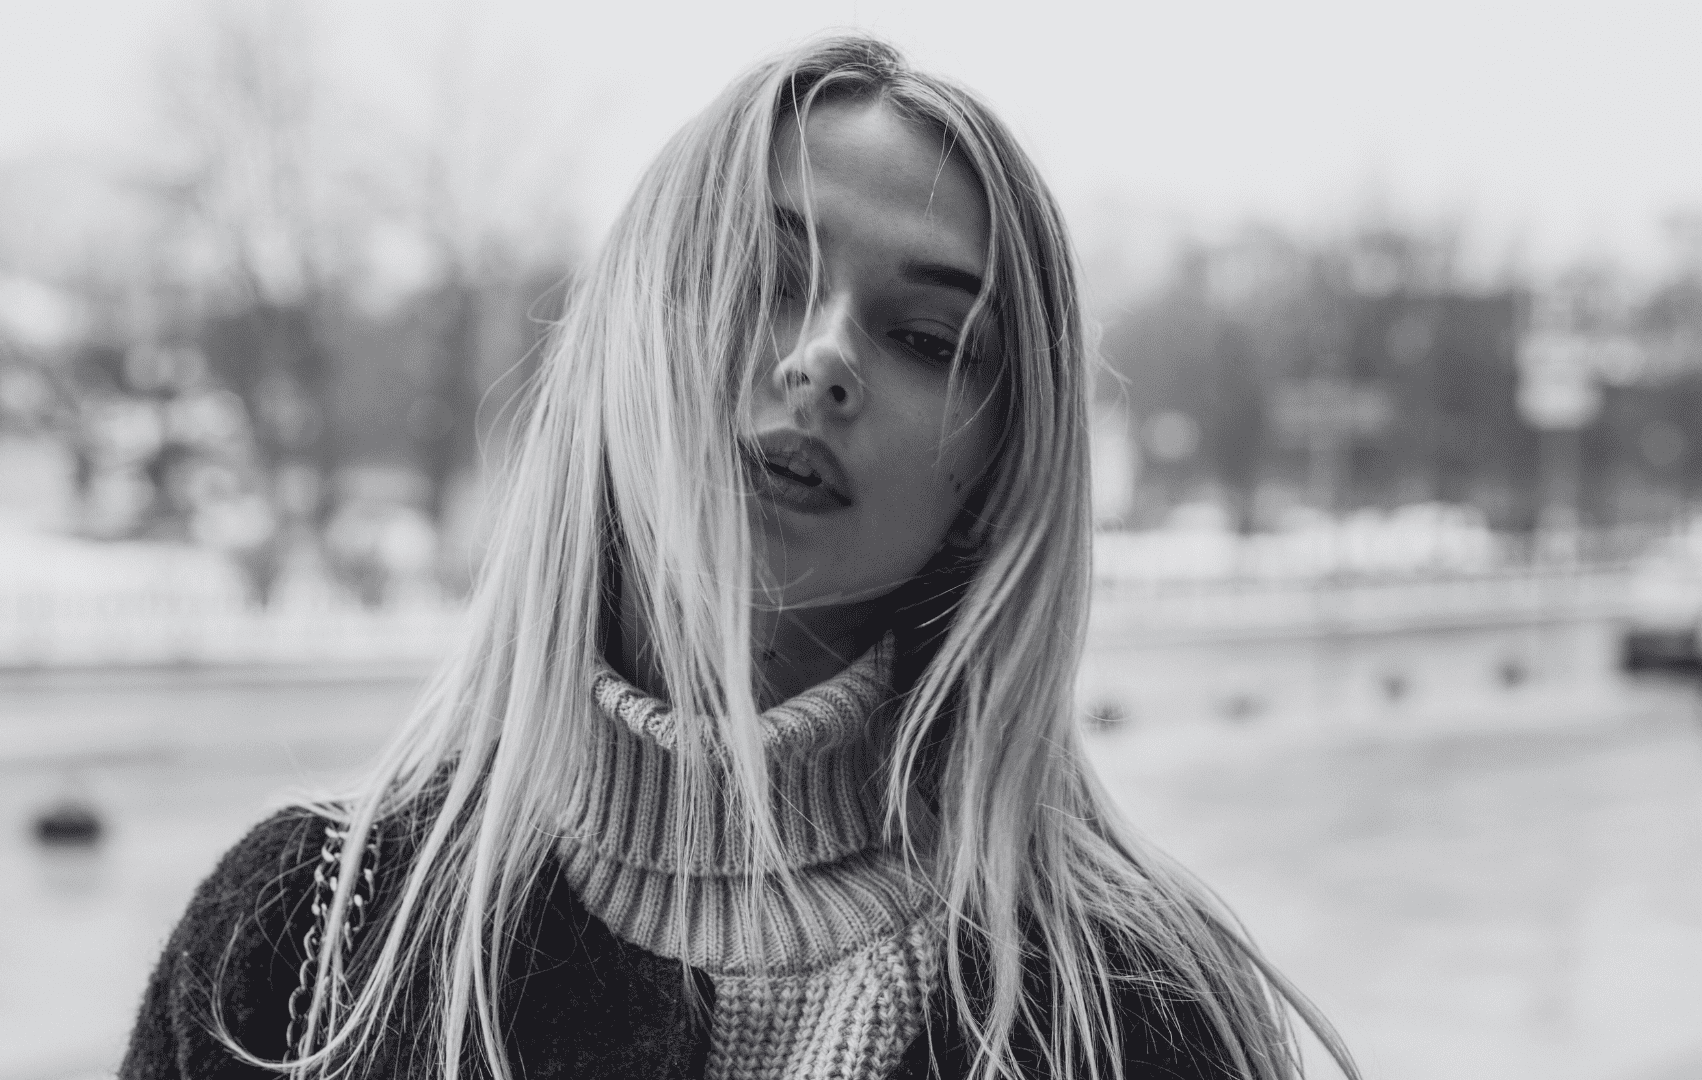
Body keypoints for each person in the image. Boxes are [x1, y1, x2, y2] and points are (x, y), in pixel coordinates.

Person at [121, 35, 1359, 1080]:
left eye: (930, 336)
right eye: (758, 272)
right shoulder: (303, 943)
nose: (823, 359)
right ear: (617, 342)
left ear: (1000, 467)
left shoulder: (1142, 1012)